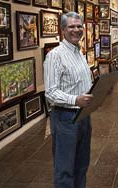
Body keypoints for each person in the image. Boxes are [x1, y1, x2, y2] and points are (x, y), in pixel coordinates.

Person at [44, 12, 93, 188]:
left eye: (79, 26)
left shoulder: (79, 52)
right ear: (63, 29)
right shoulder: (55, 56)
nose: (76, 30)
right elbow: (50, 92)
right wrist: (75, 100)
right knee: (65, 169)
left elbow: (82, 82)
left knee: (81, 164)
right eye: (72, 26)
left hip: (84, 116)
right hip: (65, 118)